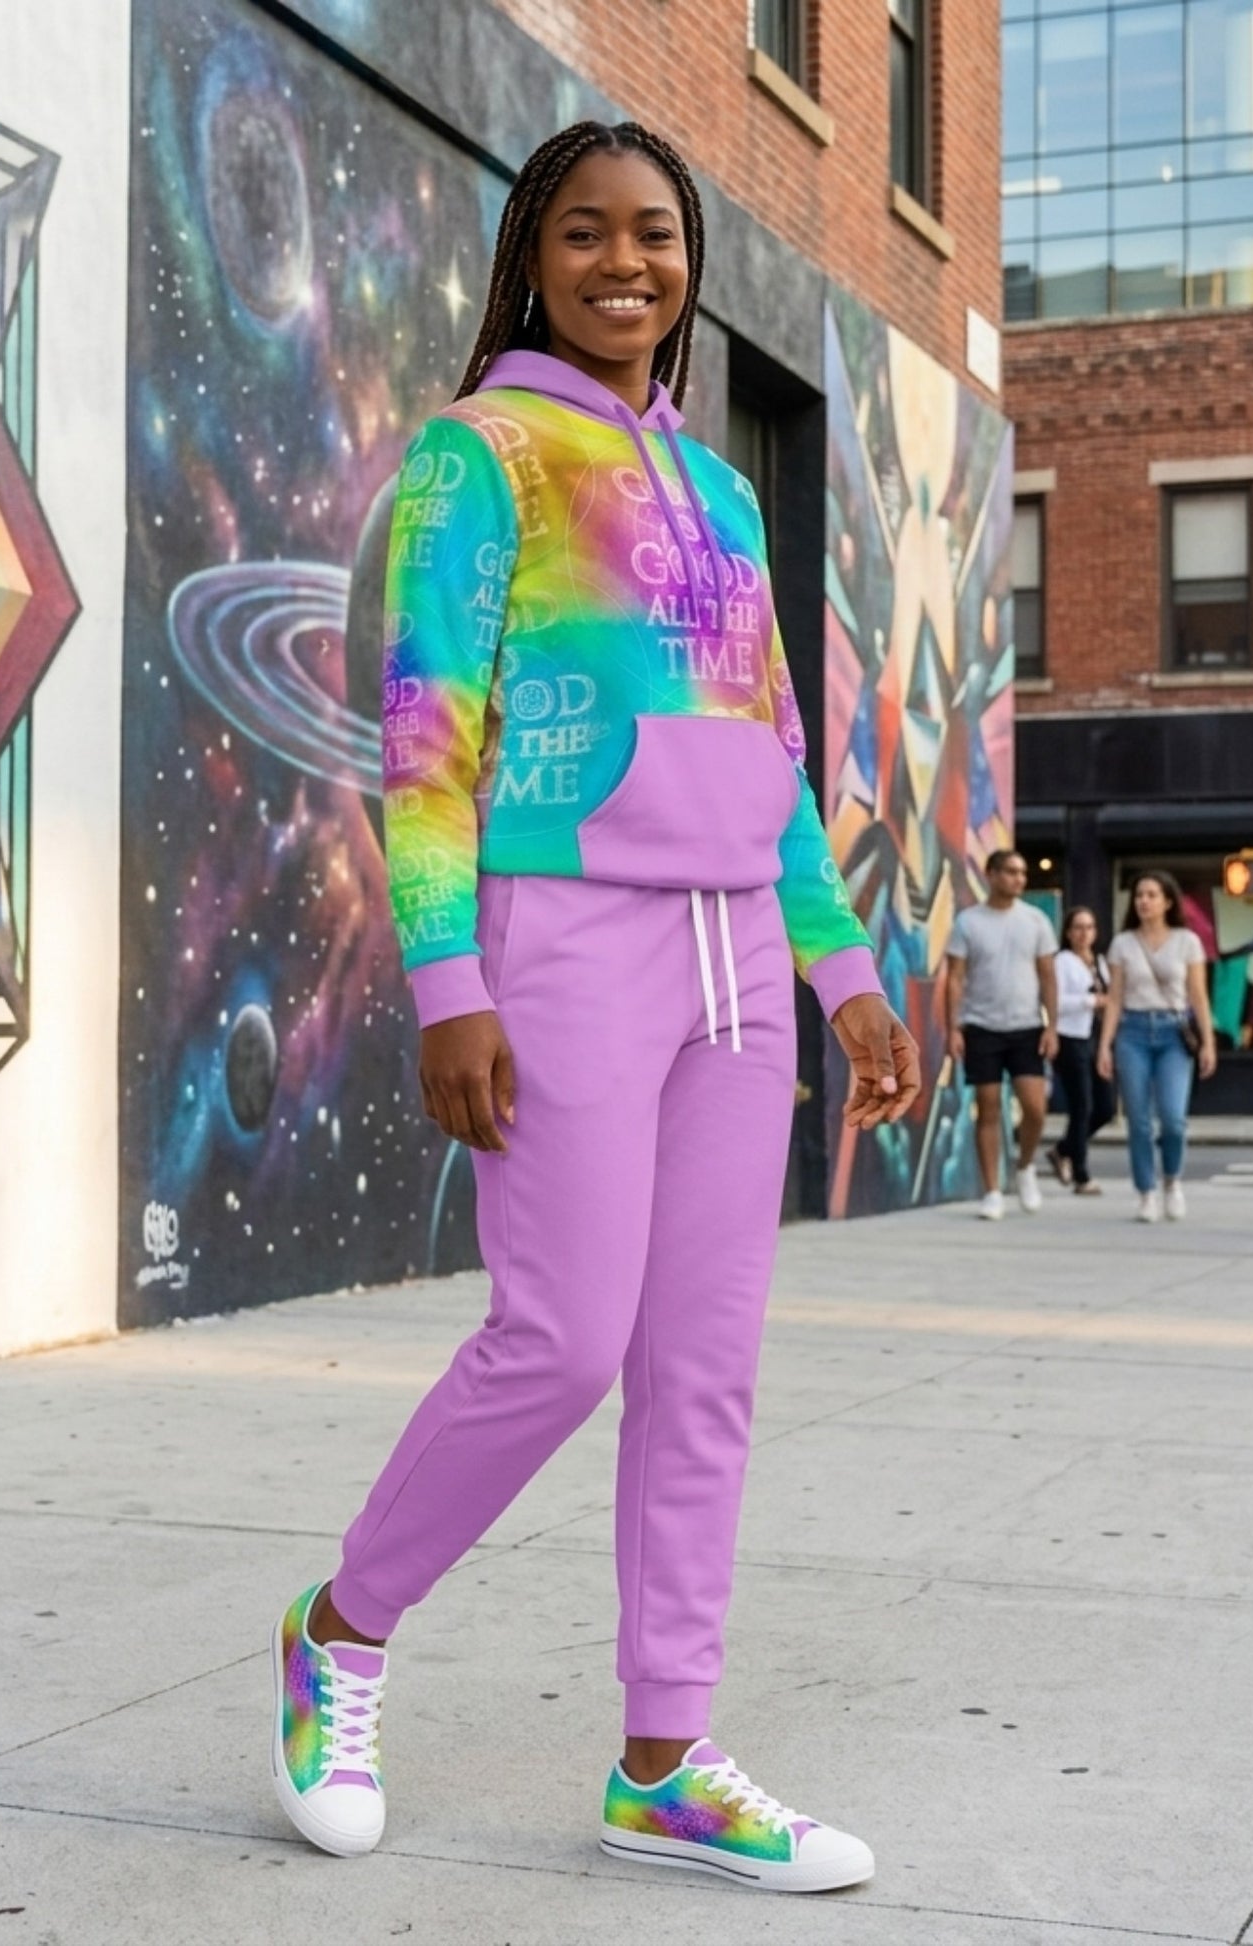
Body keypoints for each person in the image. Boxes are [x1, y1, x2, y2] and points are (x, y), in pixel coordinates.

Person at [268, 122, 921, 1893]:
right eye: (584, 233)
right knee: (557, 1339)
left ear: (688, 260)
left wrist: (844, 974)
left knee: (702, 1366)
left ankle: (664, 1761)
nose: (624, 262)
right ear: (531, 258)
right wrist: (448, 981)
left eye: (654, 233)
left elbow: (773, 756)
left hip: (739, 964)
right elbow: (424, 741)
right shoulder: (478, 454)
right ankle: (339, 1628)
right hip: (559, 938)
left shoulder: (723, 494)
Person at [943, 850, 1059, 1222]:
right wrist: (953, 1028)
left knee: (1035, 1109)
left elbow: (1048, 975)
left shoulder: (1036, 920)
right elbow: (955, 978)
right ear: (991, 874)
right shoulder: (968, 922)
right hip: (981, 1026)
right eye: (1010, 872)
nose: (1018, 879)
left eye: (1022, 872)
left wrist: (1052, 1026)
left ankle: (1024, 1166)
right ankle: (992, 1191)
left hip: (1026, 1026)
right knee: (988, 1107)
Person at [1098, 871, 1216, 1223]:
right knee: (1138, 1121)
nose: (1144, 901)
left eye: (1152, 895)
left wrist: (1208, 1043)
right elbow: (1115, 998)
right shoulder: (1123, 944)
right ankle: (1146, 1191)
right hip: (1132, 1031)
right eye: (1139, 895)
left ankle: (1172, 1181)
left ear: (1167, 902)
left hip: (1173, 1032)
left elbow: (1198, 996)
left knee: (1173, 1118)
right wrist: (1105, 1045)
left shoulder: (1186, 941)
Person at [1048, 905, 1114, 1195]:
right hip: (1070, 1037)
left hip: (1096, 1038)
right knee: (1081, 1105)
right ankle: (1081, 1174)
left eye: (1089, 927)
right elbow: (1056, 1001)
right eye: (1078, 927)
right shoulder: (1062, 962)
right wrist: (1090, 1001)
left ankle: (1064, 1149)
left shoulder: (1099, 962)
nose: (1083, 934)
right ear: (1068, 932)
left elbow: (1112, 997)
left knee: (1105, 1107)